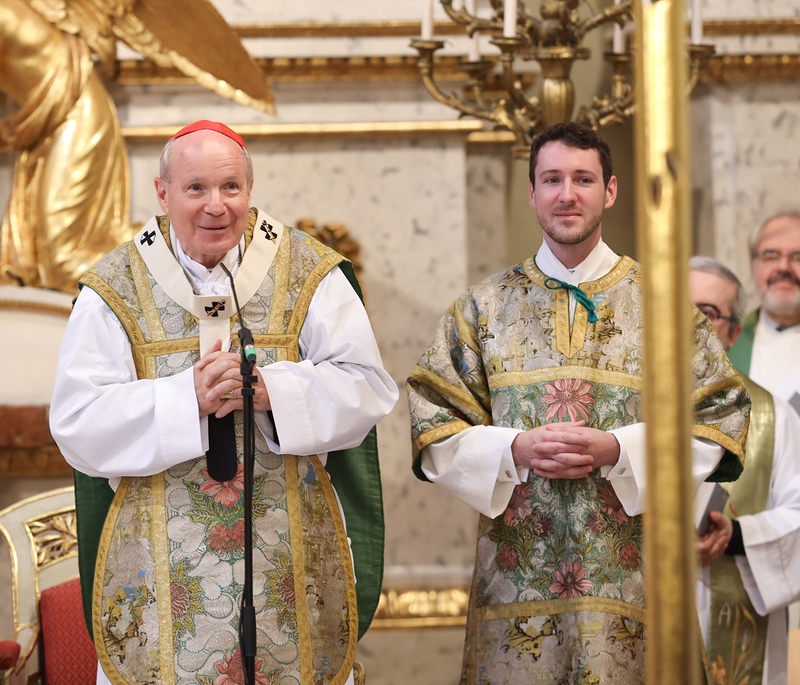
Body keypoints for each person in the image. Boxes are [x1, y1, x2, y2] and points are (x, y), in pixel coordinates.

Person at [50, 120, 398, 685]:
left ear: (250, 188)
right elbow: (76, 421)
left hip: (289, 568)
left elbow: (368, 387)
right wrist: (183, 398)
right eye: (196, 188)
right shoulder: (114, 287)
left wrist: (272, 391)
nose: (216, 205)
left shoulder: (308, 271)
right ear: (163, 194)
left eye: (231, 187)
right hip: (160, 580)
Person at [407, 121, 750, 685]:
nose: (567, 194)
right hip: (515, 587)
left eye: (583, 179)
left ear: (610, 191)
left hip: (635, 583)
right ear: (531, 192)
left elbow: (722, 413)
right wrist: (514, 448)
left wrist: (620, 448)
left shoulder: (663, 306)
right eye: (552, 179)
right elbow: (431, 420)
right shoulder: (481, 308)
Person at [690, 256, 800, 685]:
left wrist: (735, 536)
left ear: (734, 333)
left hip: (729, 611)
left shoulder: (773, 416)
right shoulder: (620, 403)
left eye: (707, 312)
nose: (688, 323)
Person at [729, 211, 800, 401]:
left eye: (798, 257)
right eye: (771, 256)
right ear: (753, 265)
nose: (784, 267)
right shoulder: (725, 345)